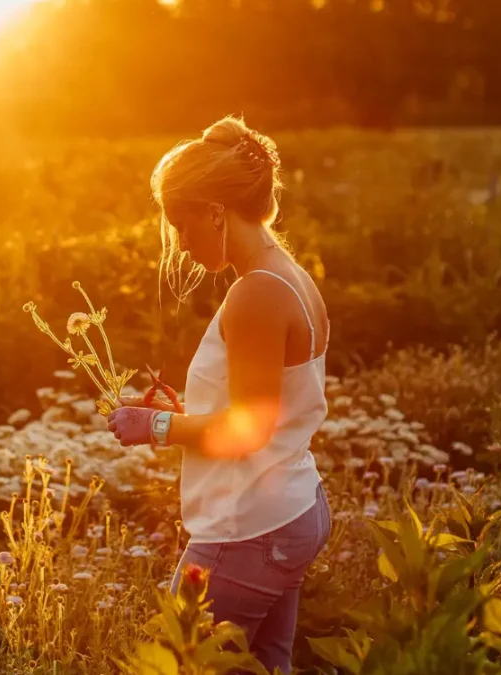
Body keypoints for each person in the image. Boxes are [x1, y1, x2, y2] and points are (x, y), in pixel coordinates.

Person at [106, 116, 332, 674]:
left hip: (248, 526)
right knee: (264, 665)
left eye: (182, 225)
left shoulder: (256, 293)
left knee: (184, 665)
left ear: (215, 211)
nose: (181, 243)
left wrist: (154, 427)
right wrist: (189, 417)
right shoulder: (288, 276)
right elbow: (262, 410)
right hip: (290, 508)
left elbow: (249, 431)